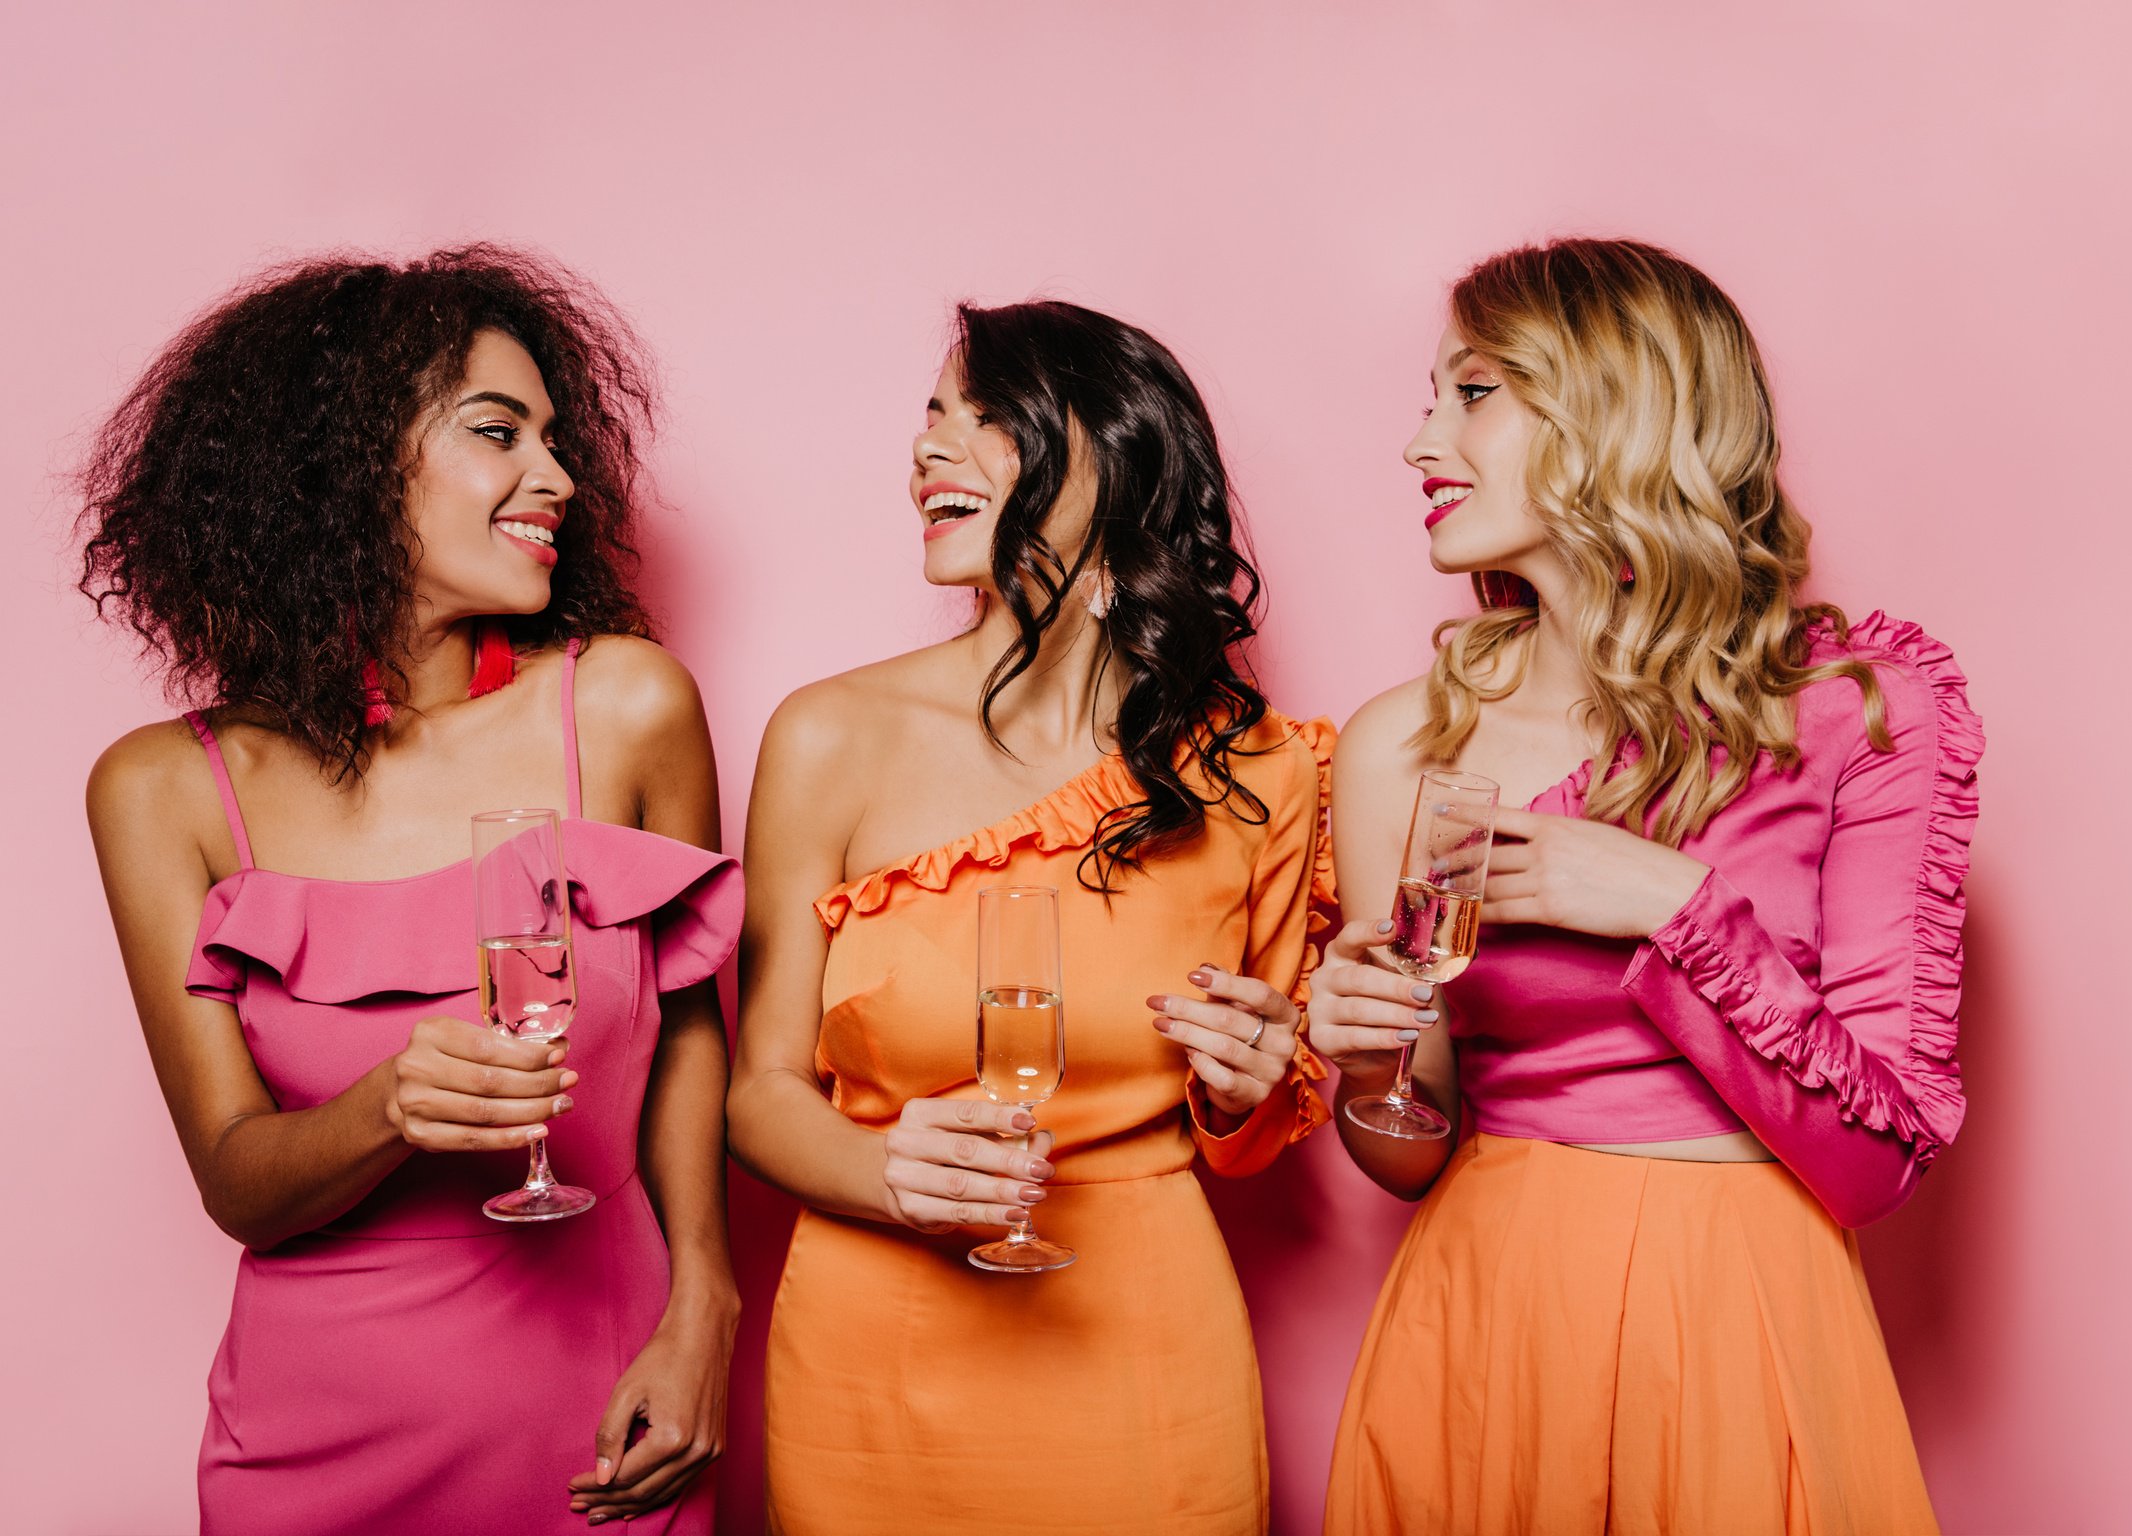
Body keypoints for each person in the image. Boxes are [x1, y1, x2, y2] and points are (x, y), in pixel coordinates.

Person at [1312, 238, 1981, 1534]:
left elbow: (1876, 1166)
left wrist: (1671, 907)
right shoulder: (1408, 742)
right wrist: (1374, 1065)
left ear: (1616, 410)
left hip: (1742, 1314)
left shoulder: (1859, 714)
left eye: (1474, 392)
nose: (1419, 443)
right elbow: (1405, 1155)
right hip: (1486, 1319)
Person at [80, 248, 741, 1534]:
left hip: (603, 1413)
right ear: (340, 468)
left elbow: (692, 1034)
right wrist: (389, 1107)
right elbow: (237, 1181)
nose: (555, 477)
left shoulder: (624, 707)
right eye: (499, 433)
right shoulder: (163, 791)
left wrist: (704, 1304)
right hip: (314, 1438)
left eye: (557, 439)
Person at [729, 300, 1332, 1535]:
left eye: (986, 417)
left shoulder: (1259, 772)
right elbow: (757, 1091)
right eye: (929, 420)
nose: (927, 454)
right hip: (874, 1368)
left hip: (1147, 1367)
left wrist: (1249, 1081)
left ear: (1114, 452)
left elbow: (1254, 1136)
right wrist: (881, 1173)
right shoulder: (828, 736)